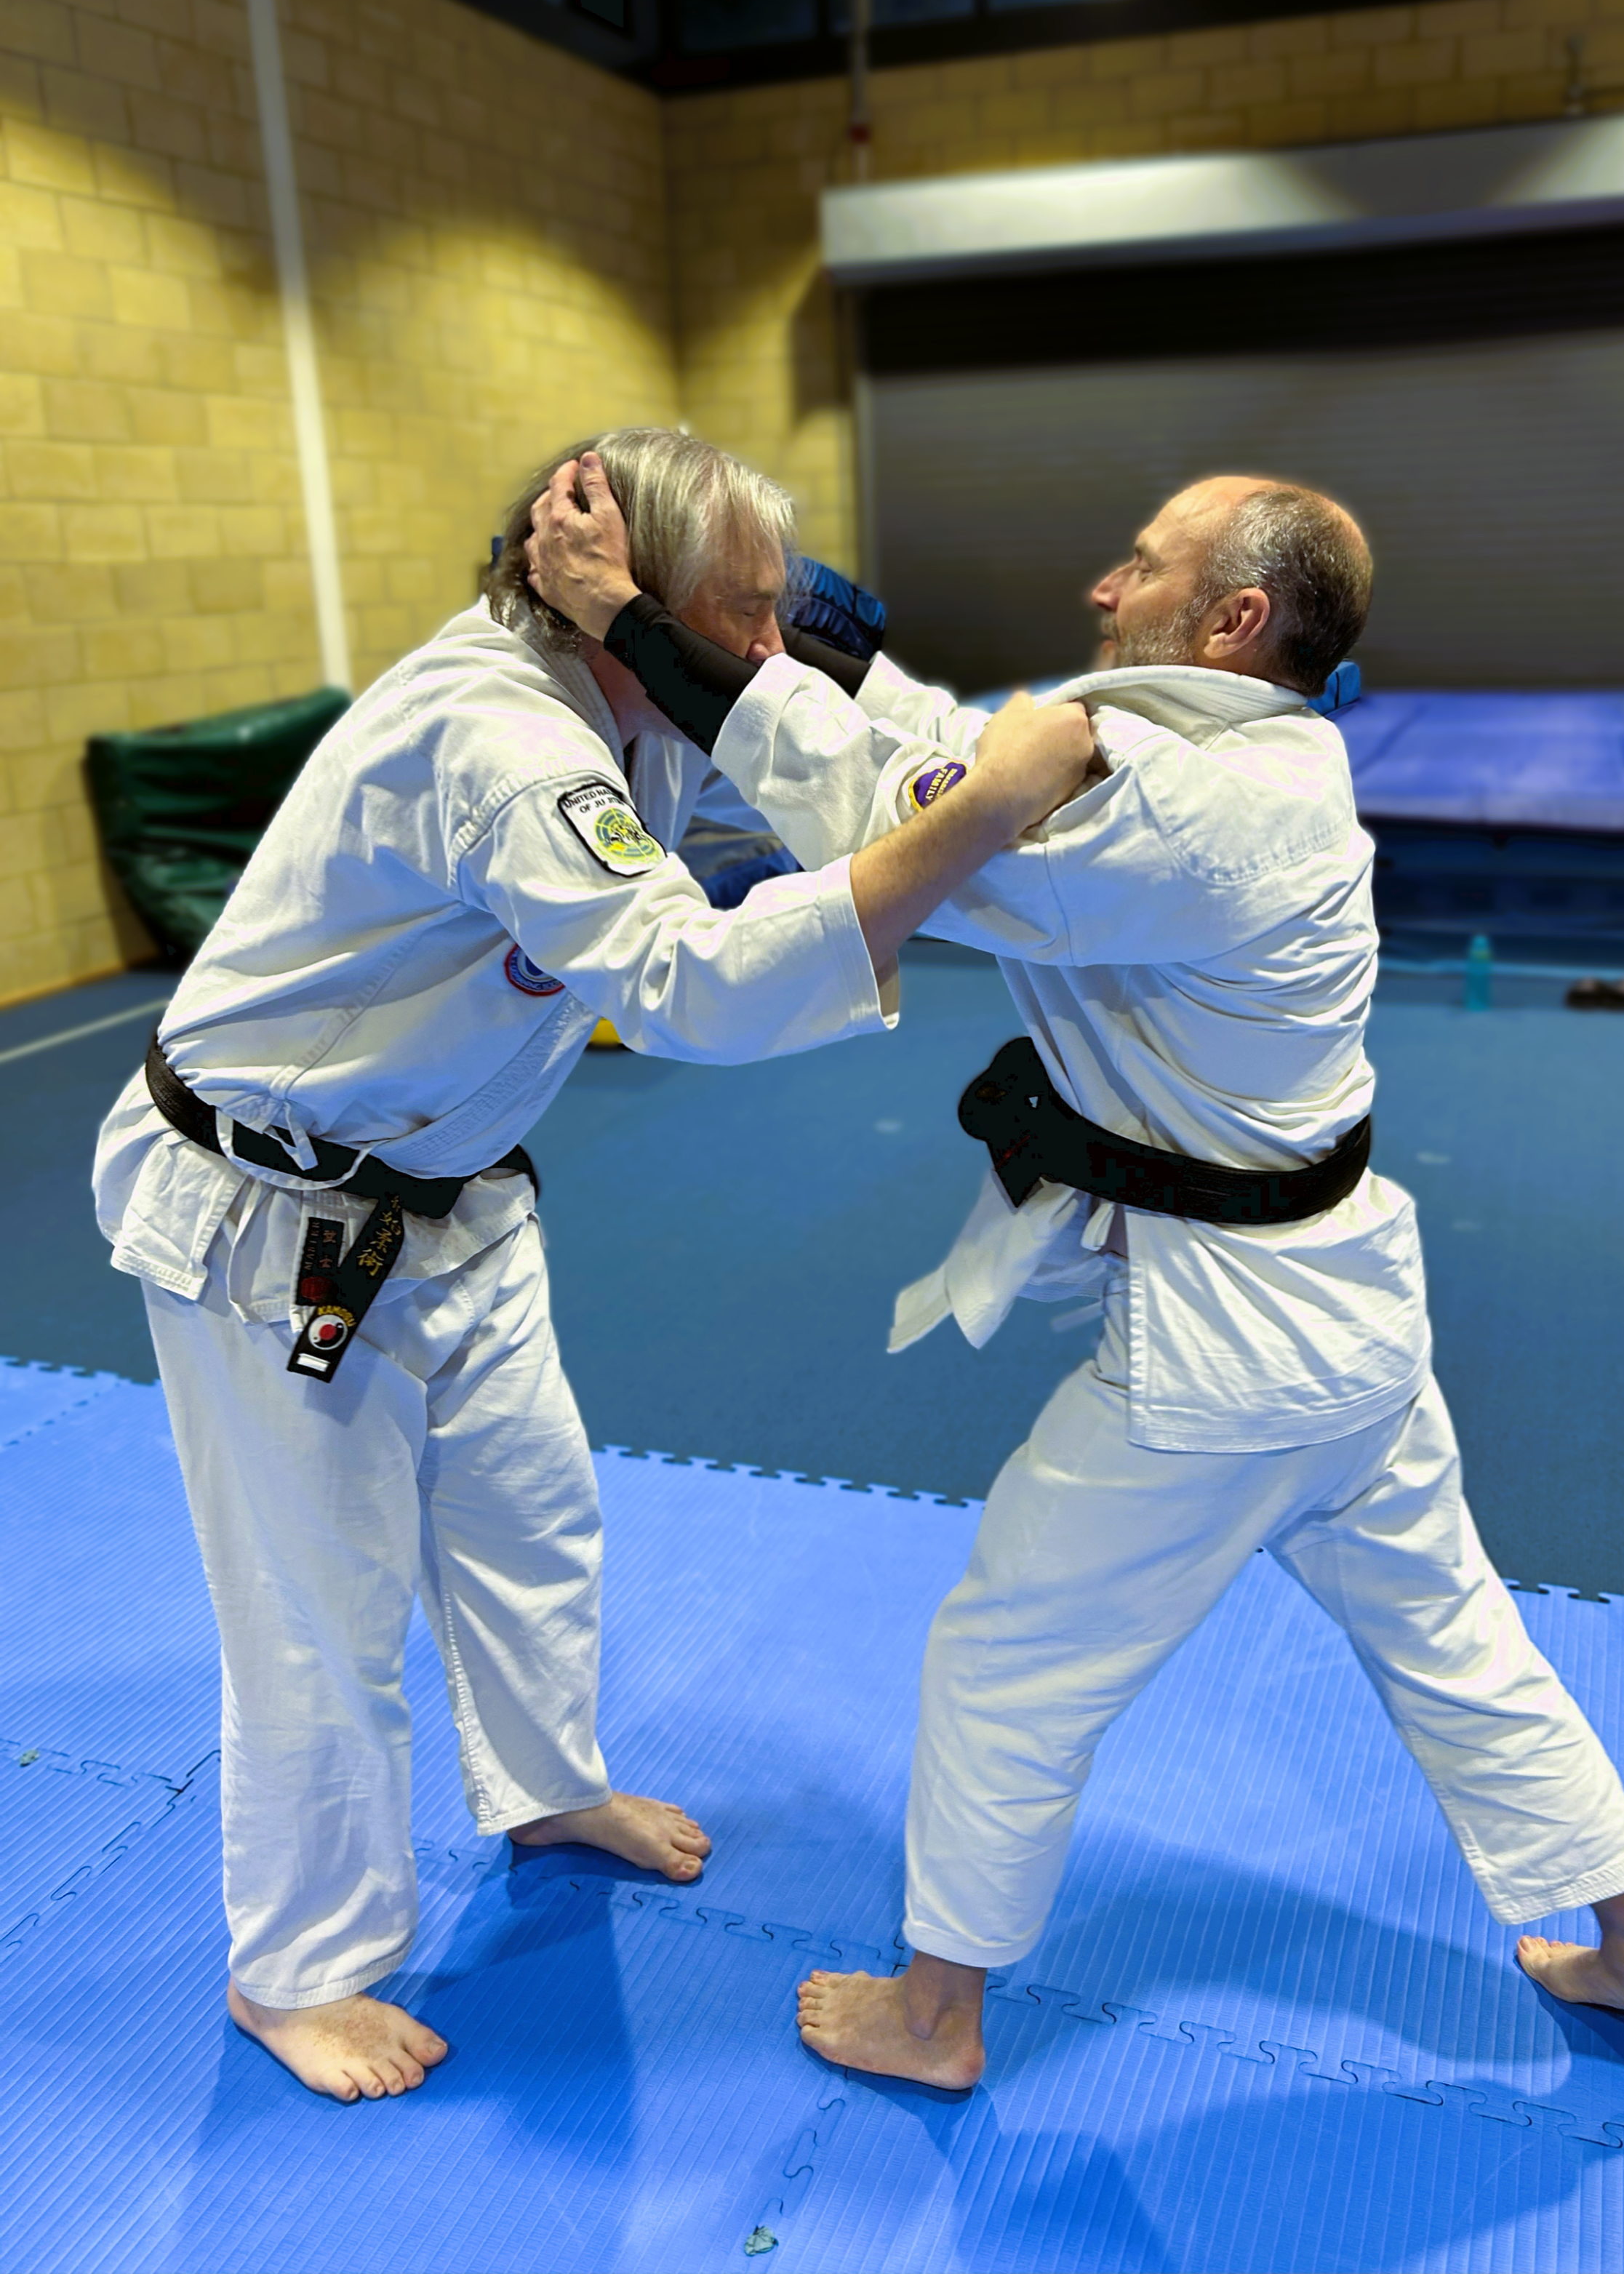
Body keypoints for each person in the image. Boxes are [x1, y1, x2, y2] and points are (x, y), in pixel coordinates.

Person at [527, 455, 1624, 2093]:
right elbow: (968, 751)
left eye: (1144, 566)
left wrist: (636, 629)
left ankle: (936, 2012)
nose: (1107, 585)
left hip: (1227, 1354)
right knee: (1454, 1635)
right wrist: (825, 645)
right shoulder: (1251, 750)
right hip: (1351, 1317)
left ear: (1232, 616)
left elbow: (922, 829)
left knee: (1006, 1659)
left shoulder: (1189, 809)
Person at [92, 426, 1092, 2106]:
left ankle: (543, 1786)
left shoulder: (649, 697)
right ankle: (296, 1970)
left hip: (455, 1188)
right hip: (270, 1213)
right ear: (625, 599)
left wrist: (952, 741)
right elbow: (684, 982)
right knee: (318, 1612)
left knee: (532, 1512)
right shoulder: (498, 737)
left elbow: (840, 732)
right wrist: (959, 835)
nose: (764, 650)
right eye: (741, 612)